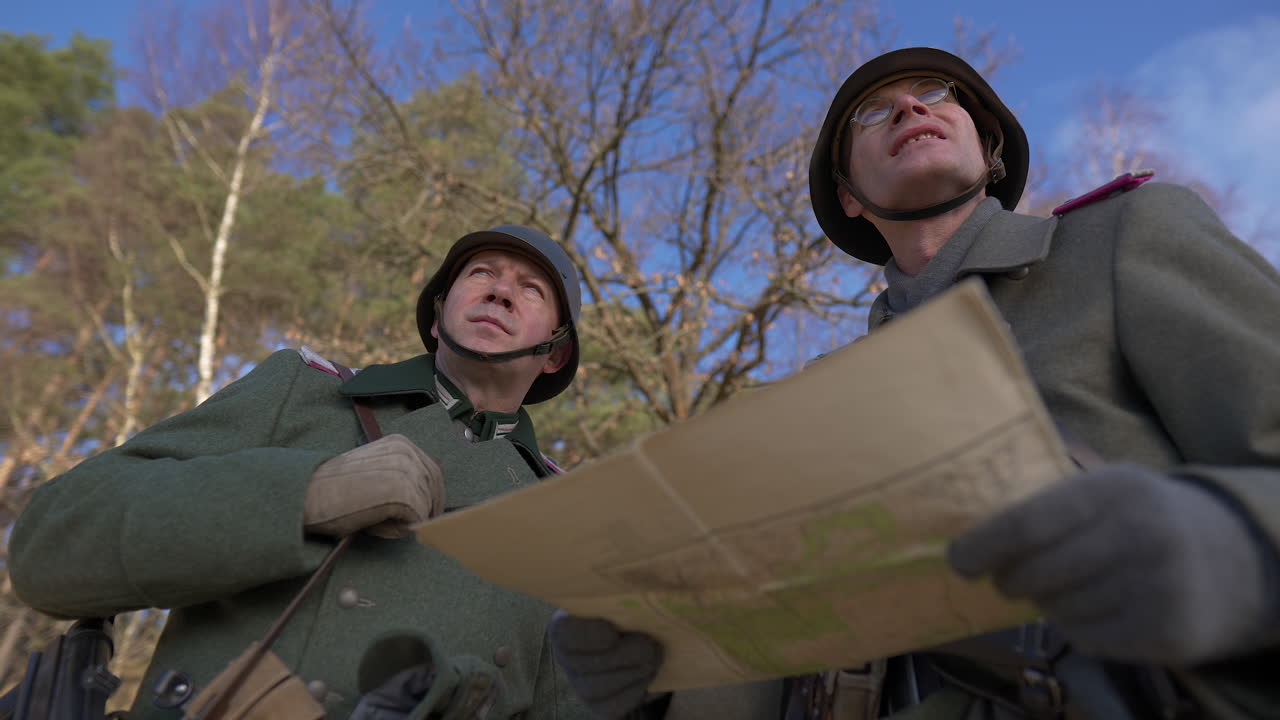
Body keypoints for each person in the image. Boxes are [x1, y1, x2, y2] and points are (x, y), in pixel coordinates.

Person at [547, 48, 1280, 719]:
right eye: (874, 112)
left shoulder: (1124, 235)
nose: (909, 109)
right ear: (850, 196)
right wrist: (658, 676)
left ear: (989, 150)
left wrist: (1235, 549)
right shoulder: (815, 401)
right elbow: (778, 629)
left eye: (935, 93)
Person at [10, 225, 597, 719]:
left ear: (554, 351)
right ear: (439, 317)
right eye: (482, 274)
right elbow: (51, 544)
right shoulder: (307, 392)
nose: (499, 292)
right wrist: (302, 493)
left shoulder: (559, 527)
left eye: (530, 288)